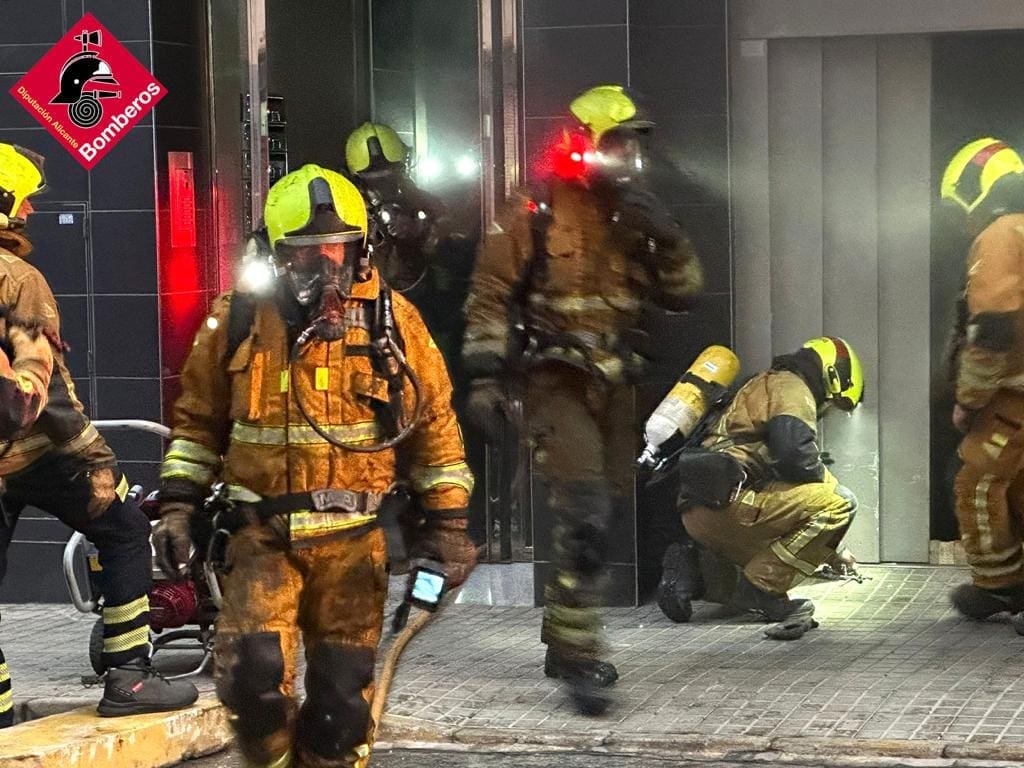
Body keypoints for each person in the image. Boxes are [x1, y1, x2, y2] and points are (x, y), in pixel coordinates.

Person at [153, 164, 476, 768]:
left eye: (337, 247)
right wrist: (177, 508)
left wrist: (449, 530)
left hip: (354, 548)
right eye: (305, 252)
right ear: (275, 254)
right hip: (259, 540)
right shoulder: (239, 319)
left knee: (340, 711)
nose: (325, 263)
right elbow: (197, 425)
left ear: (361, 246)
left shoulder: (392, 322)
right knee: (252, 682)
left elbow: (434, 430)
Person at [462, 84, 703, 714]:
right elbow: (490, 294)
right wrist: (485, 378)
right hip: (555, 382)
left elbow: (685, 294)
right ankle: (577, 657)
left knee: (608, 514)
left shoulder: (637, 214)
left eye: (635, 145)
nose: (628, 156)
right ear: (589, 142)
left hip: (618, 386)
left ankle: (562, 637)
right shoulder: (536, 207)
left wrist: (669, 236)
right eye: (619, 142)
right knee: (587, 513)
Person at [0, 143, 198, 724]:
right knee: (124, 529)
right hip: (38, 453)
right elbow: (40, 389)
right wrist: (95, 456)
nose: (31, 212)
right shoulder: (17, 277)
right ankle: (129, 678)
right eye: (24, 201)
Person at [658, 337, 863, 638]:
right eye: (833, 402)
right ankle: (762, 591)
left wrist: (835, 551)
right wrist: (825, 479)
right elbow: (795, 455)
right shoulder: (792, 385)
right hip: (734, 503)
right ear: (834, 375)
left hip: (698, 514)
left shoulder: (757, 384)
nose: (828, 409)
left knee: (765, 555)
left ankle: (693, 569)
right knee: (840, 502)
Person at [941, 137, 1024, 621]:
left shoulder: (1002, 234)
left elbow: (992, 326)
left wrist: (968, 400)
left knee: (976, 484)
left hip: (1011, 398)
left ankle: (999, 585)